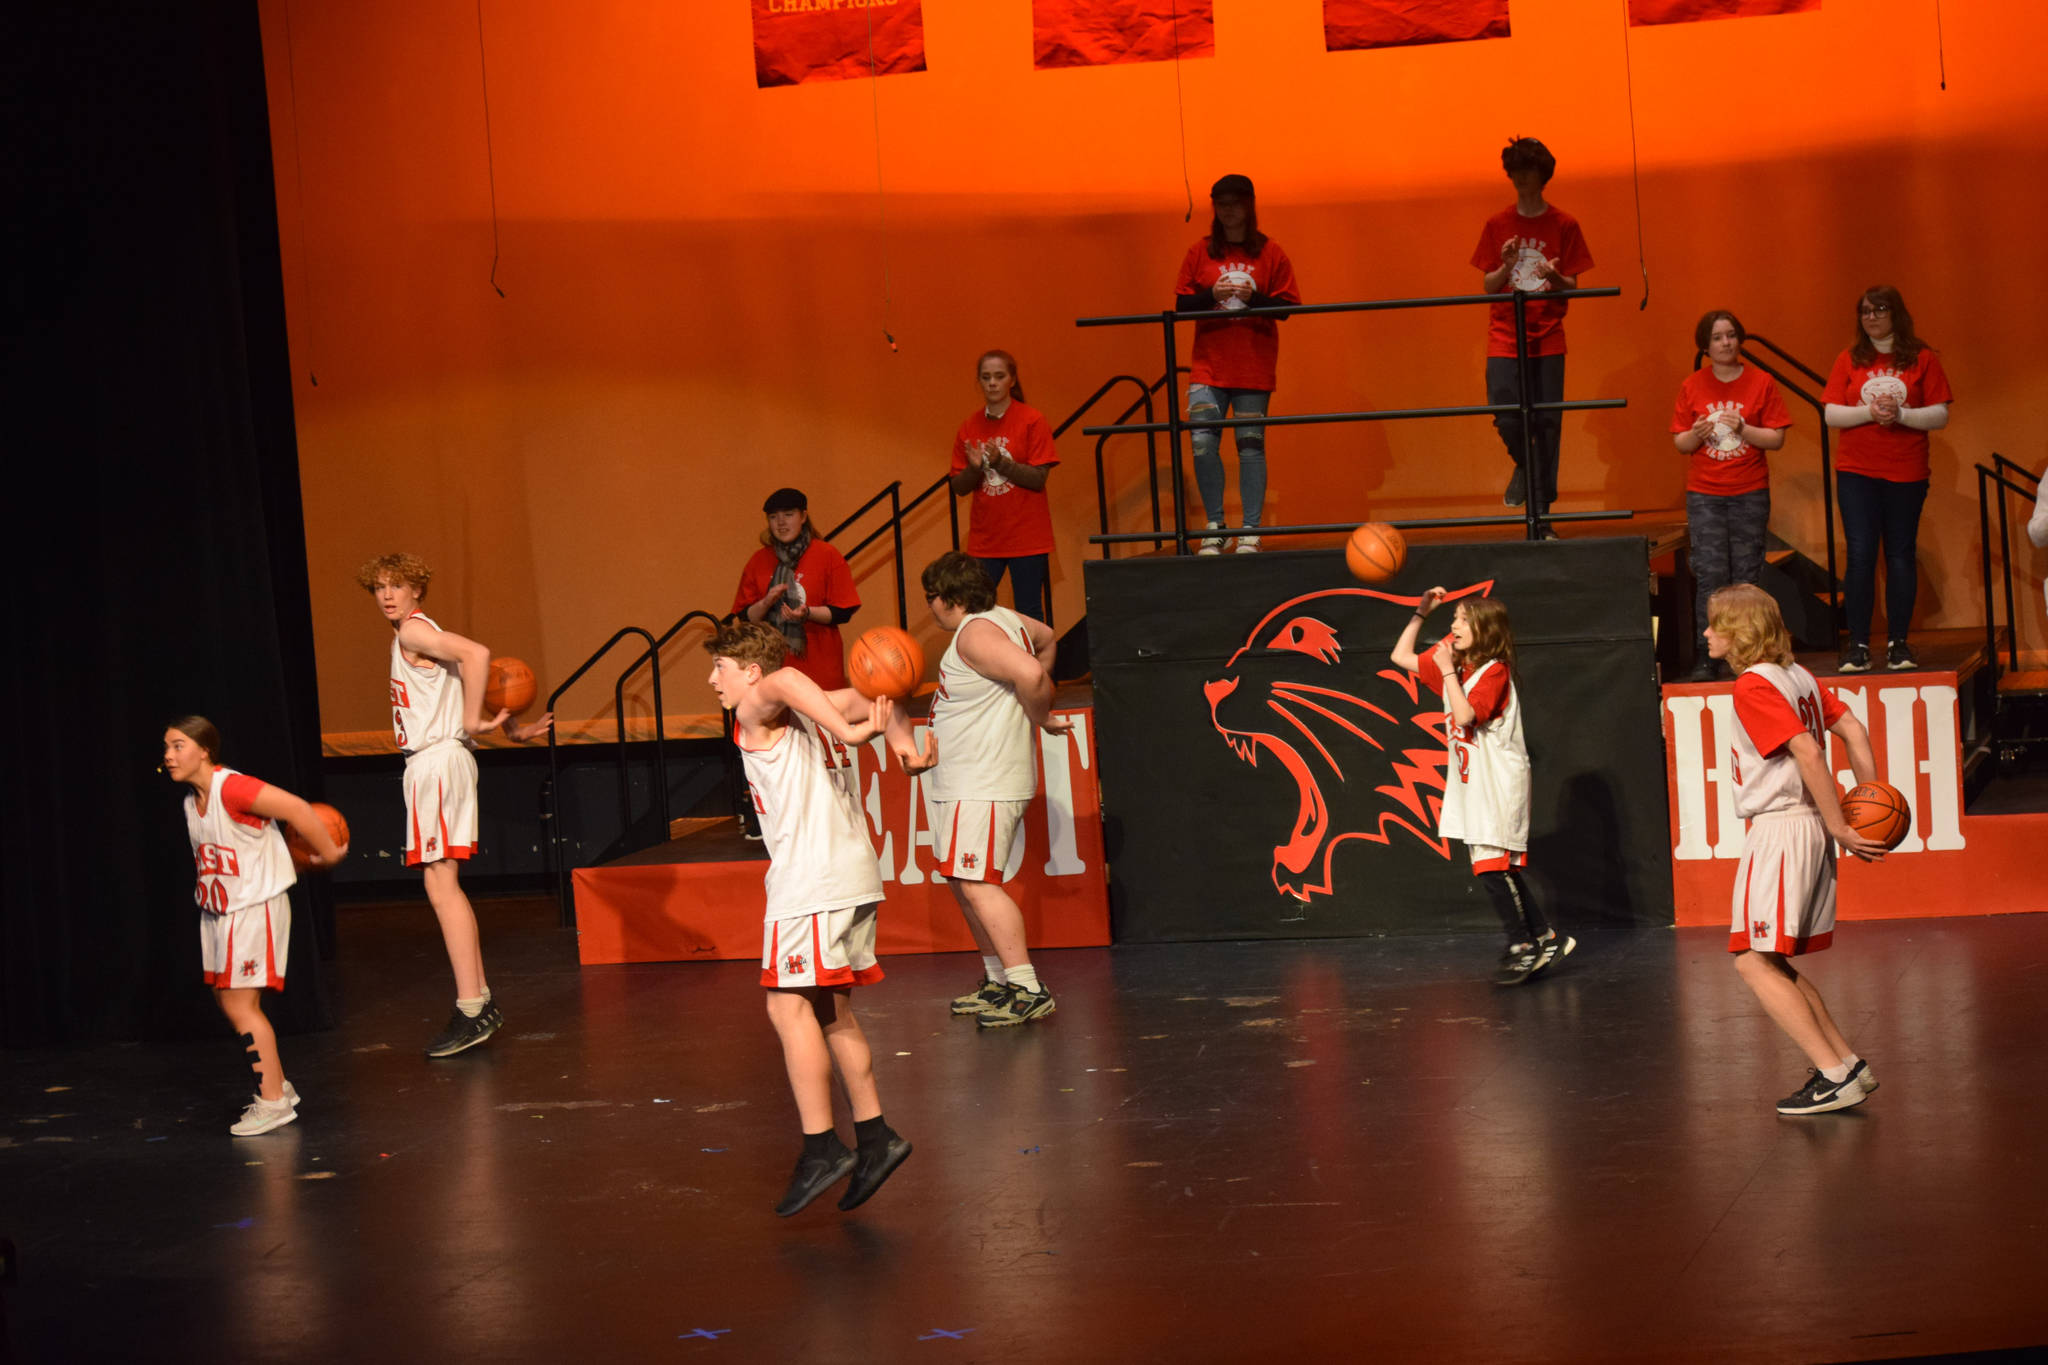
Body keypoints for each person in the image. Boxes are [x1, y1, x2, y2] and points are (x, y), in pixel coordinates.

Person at [706, 618, 928, 1215]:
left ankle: (821, 1147)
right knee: (831, 1009)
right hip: (853, 873)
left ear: (749, 671)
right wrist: (903, 744)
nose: (712, 680)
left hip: (812, 882)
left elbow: (786, 680)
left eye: (720, 668)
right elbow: (879, 696)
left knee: (785, 1005)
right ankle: (877, 1138)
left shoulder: (764, 700)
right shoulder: (805, 702)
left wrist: (854, 736)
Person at [357, 553, 553, 1058]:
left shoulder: (413, 632)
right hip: (437, 762)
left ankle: (473, 1006)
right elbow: (472, 673)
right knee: (440, 883)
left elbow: (478, 653)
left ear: (417, 590)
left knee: (441, 884)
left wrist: (470, 722)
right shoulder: (418, 633)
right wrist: (510, 727)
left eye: (396, 585)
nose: (386, 595)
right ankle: (477, 1001)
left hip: (438, 762)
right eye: (379, 587)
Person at [1702, 584, 1887, 1115]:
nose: (1708, 632)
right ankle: (1846, 1064)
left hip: (1784, 828)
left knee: (1752, 961)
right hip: (1804, 826)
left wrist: (1843, 825)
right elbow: (1851, 727)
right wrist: (1868, 801)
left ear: (1740, 631)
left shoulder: (1753, 685)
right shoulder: (1799, 677)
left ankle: (1834, 1076)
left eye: (1716, 624)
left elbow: (1806, 750)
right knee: (1769, 959)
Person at [164, 715, 347, 1135]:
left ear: (204, 750)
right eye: (167, 747)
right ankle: (277, 1085)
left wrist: (330, 855)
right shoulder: (192, 801)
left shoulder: (235, 787)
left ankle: (273, 1102)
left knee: (240, 1006)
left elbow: (298, 808)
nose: (169, 756)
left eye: (177, 746)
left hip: (253, 908)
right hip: (220, 911)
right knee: (227, 1000)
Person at [908, 552, 1068, 1026]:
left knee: (979, 883)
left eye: (931, 598)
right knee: (964, 881)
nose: (930, 608)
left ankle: (1027, 987)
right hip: (971, 779)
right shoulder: (1003, 620)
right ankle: (999, 982)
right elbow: (1047, 639)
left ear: (950, 598)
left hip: (984, 779)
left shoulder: (976, 633)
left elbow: (1034, 673)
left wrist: (1038, 714)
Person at [1391, 588, 1572, 985]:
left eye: (1460, 619)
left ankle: (1523, 945)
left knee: (1492, 867)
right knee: (1493, 867)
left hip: (1499, 783)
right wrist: (1421, 613)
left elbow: (1466, 714)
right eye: (1452, 618)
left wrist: (1449, 671)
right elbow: (1400, 657)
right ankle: (1544, 936)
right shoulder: (1462, 667)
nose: (1452, 626)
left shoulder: (1494, 671)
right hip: (1475, 782)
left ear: (1483, 629)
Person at [1823, 286, 1952, 672]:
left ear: (1896, 314)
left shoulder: (1922, 358)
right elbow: (1831, 414)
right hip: (1857, 471)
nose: (1872, 316)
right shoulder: (1848, 359)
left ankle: (1899, 643)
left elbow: (1940, 414)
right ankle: (1858, 645)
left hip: (1906, 470)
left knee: (1899, 554)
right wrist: (1871, 412)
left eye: (1880, 309)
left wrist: (1901, 416)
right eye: (1865, 310)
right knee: (1861, 554)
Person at [1471, 136, 1594, 534]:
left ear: (1543, 176)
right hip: (1505, 334)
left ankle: (1542, 516)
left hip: (1549, 334)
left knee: (1548, 424)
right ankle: (1525, 466)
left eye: (1530, 172)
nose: (1523, 180)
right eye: (1516, 173)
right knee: (1505, 413)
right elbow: (1489, 286)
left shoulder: (1564, 224)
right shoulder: (1497, 224)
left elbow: (1572, 283)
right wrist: (1507, 266)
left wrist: (1555, 276)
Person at [1173, 173, 1300, 555]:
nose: (1227, 211)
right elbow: (1180, 306)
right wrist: (1212, 293)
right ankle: (1215, 524)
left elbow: (1289, 308)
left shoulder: (1270, 251)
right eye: (1221, 204)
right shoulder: (1200, 252)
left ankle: (1250, 529)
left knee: (1250, 446)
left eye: (1234, 203)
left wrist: (1255, 296)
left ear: (1249, 206)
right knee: (1202, 444)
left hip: (1252, 367)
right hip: (1208, 365)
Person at [1672, 310, 1794, 680]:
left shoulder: (1761, 381)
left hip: (1749, 491)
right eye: (1717, 338)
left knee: (1747, 577)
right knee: (1710, 578)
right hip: (1706, 494)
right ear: (1705, 347)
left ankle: (1750, 655)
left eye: (1731, 336)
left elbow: (1776, 438)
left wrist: (1743, 426)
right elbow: (1681, 442)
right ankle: (1707, 657)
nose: (1726, 343)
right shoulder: (1692, 384)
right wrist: (1697, 433)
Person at [949, 350, 1059, 623]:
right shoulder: (969, 426)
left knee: (1029, 611)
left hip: (1027, 537)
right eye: (986, 378)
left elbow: (1038, 478)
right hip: (986, 539)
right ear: (979, 381)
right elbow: (958, 487)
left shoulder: (1032, 420)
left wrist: (1000, 462)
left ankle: (1035, 667)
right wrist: (975, 468)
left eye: (999, 376)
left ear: (1012, 380)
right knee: (977, 612)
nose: (992, 383)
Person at [732, 488, 862, 690]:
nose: (781, 522)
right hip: (772, 669)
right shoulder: (757, 561)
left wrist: (807, 612)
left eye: (788, 514)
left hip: (819, 668)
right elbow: (745, 617)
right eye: (773, 517)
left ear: (803, 516)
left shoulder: (827, 554)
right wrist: (766, 603)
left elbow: (842, 611)